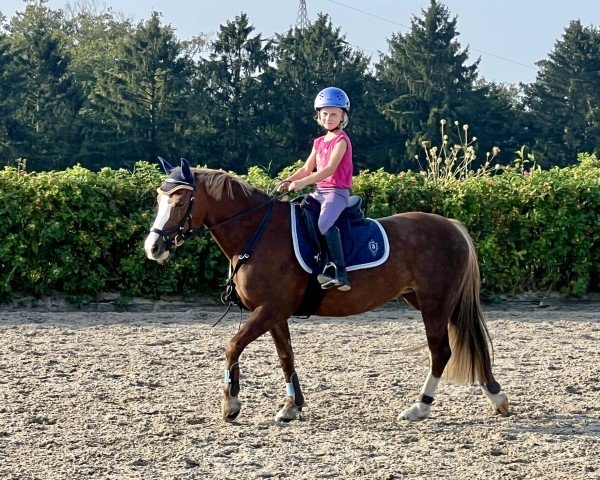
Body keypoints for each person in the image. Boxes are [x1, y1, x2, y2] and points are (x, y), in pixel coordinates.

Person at [278, 86, 353, 291]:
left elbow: (328, 170)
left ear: (342, 117)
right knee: (298, 215)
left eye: (334, 114)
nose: (329, 118)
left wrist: (303, 183)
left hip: (336, 192)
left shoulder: (341, 141)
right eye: (325, 114)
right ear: (319, 116)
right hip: (319, 193)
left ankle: (339, 271)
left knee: (324, 223)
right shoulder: (319, 142)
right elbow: (306, 167)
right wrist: (287, 180)